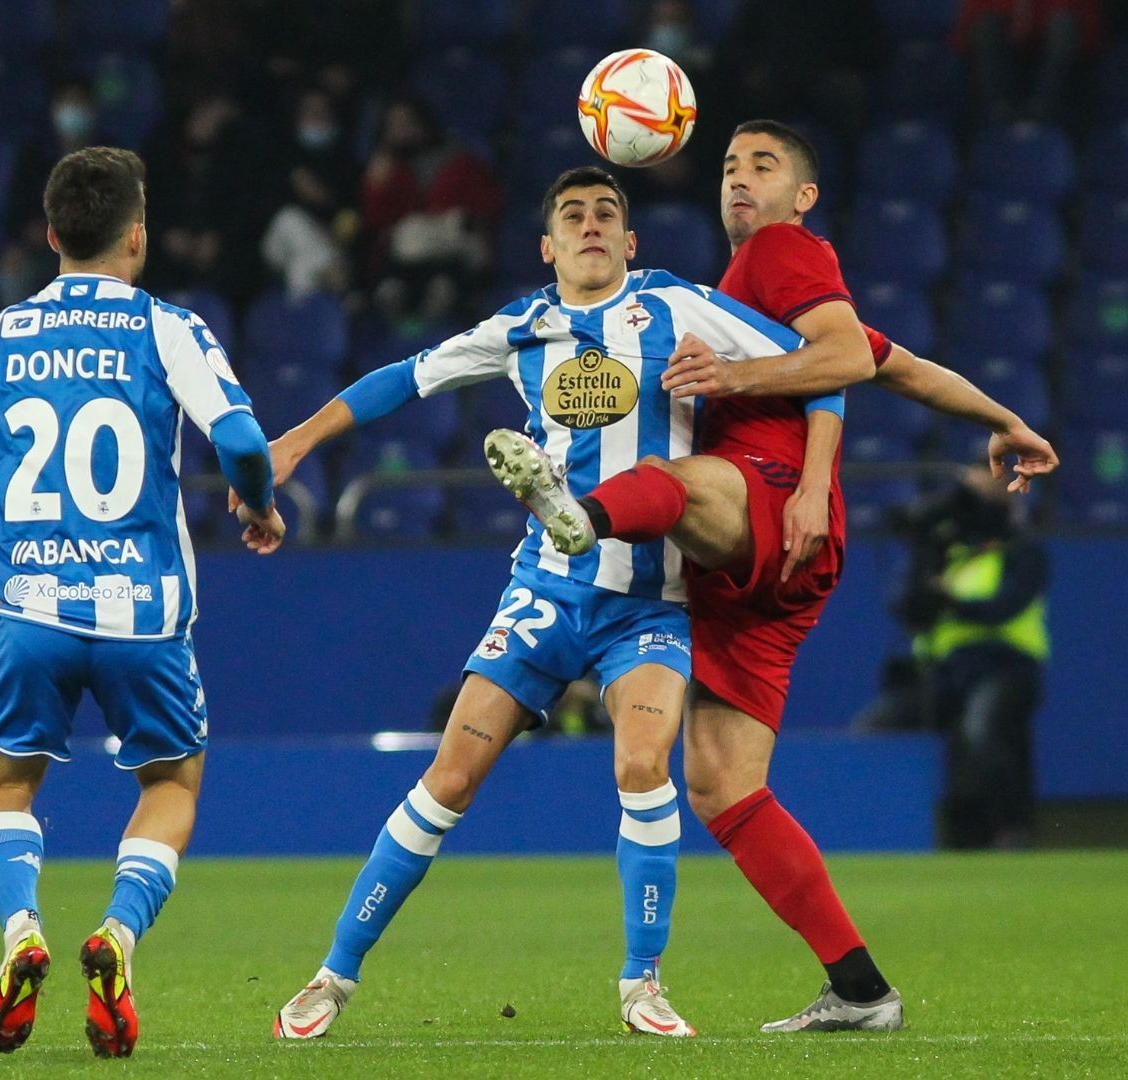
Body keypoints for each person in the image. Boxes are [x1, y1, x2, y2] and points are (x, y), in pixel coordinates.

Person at [261, 165, 841, 1042]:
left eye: (609, 213)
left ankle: (642, 981)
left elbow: (822, 370)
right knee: (449, 777)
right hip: (545, 592)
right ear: (547, 246)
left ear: (632, 239)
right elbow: (402, 379)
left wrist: (805, 467)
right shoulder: (522, 326)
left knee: (644, 767)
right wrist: (296, 442)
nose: (592, 225)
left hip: (649, 600)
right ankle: (333, 975)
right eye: (572, 215)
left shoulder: (678, 305)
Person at [503, 120, 1057, 1032]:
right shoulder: (745, 290)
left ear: (804, 197)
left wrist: (783, 449)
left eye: (762, 166)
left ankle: (577, 521)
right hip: (752, 569)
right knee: (724, 787)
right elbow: (893, 364)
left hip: (764, 509)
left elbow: (836, 356)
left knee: (668, 486)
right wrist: (1002, 418)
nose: (737, 180)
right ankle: (861, 989)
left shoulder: (780, 250)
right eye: (726, 166)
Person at [0, 146, 286, 1059]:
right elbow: (240, 436)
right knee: (171, 783)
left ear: (50, 236)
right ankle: (115, 936)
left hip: (31, 608)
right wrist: (259, 501)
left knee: (2, 787)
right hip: (144, 616)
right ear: (138, 234)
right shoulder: (169, 329)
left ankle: (20, 932)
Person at [858, 468, 1047, 849]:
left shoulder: (1022, 547)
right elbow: (904, 606)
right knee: (874, 728)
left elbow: (1006, 605)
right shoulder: (944, 549)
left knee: (983, 730)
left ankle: (1010, 830)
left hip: (1005, 666)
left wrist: (949, 601)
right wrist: (923, 567)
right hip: (945, 672)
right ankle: (882, 832)